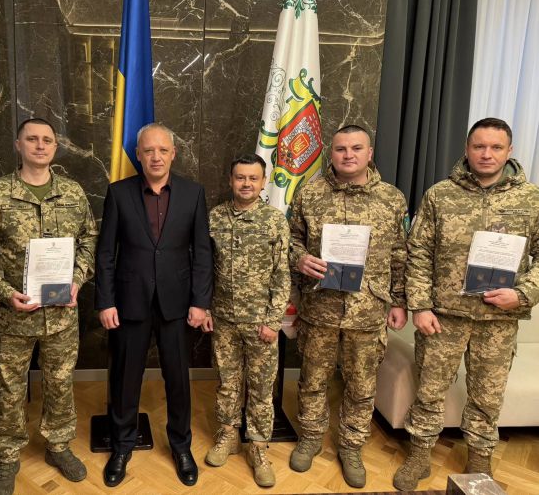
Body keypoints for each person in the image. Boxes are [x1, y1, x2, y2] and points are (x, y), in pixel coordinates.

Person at [393, 118, 539, 491]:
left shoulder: (531, 199)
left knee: (487, 396)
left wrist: (522, 294)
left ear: (509, 151)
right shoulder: (440, 195)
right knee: (429, 389)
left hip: (498, 318)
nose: (486, 154)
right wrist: (421, 306)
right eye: (479, 146)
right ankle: (419, 454)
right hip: (444, 316)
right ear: (467, 149)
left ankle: (479, 459)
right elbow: (418, 252)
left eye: (495, 147)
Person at [0, 118, 97, 494]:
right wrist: (3, 290)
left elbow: (90, 240)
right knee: (8, 388)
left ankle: (58, 446)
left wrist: (77, 280)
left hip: (61, 314)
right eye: (32, 139)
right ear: (18, 144)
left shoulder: (72, 193)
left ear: (55, 147)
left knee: (60, 383)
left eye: (47, 140)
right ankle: (8, 457)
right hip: (12, 315)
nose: (40, 145)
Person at [289, 124, 408, 489]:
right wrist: (299, 258)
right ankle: (311, 436)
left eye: (357, 148)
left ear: (369, 153)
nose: (348, 155)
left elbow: (401, 254)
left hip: (367, 310)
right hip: (320, 306)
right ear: (332, 153)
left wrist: (399, 301)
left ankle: (351, 446)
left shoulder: (392, 199)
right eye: (341, 149)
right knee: (313, 379)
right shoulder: (310, 194)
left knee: (361, 385)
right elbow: (290, 240)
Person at [95, 123, 213, 487]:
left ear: (173, 154)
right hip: (129, 302)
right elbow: (105, 252)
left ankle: (181, 446)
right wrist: (105, 301)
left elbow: (202, 253)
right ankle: (121, 446)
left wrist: (200, 302)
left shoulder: (193, 193)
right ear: (139, 155)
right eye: (149, 151)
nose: (156, 157)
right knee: (125, 379)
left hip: (177, 304)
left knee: (178, 379)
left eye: (163, 150)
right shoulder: (118, 193)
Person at [201, 153, 290, 488]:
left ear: (263, 182)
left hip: (260, 322)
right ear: (230, 180)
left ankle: (258, 445)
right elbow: (204, 268)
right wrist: (206, 308)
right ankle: (228, 434)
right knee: (227, 381)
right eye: (240, 177)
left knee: (262, 386)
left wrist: (274, 320)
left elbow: (282, 274)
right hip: (223, 319)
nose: (246, 184)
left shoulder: (274, 221)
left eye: (253, 178)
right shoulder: (215, 218)